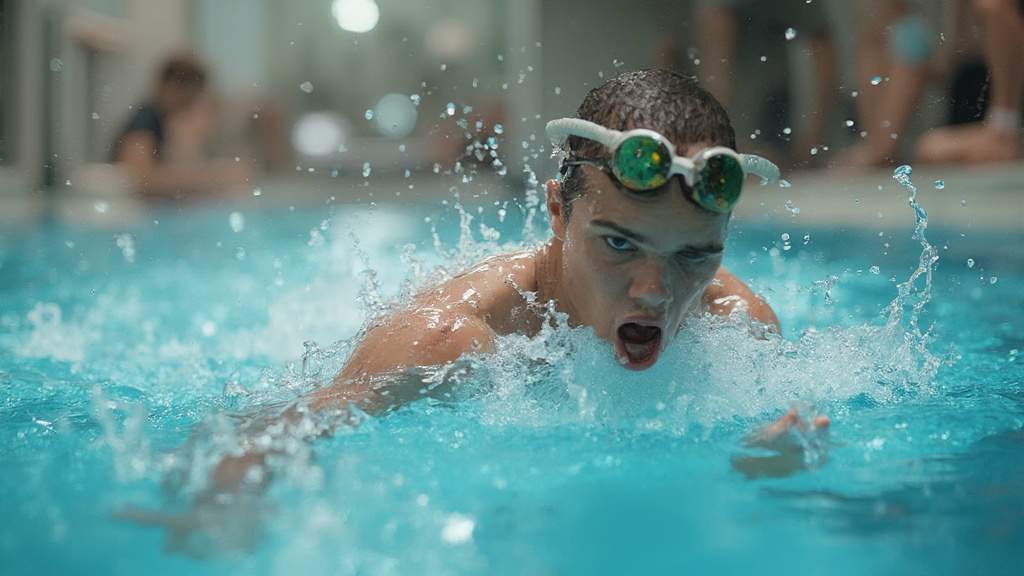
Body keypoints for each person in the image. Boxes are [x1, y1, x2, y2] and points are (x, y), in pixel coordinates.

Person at [124, 69, 830, 553]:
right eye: (619, 243)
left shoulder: (739, 319)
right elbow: (266, 441)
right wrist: (221, 515)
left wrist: (747, 470)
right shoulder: (445, 343)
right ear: (557, 212)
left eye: (694, 256)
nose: (656, 290)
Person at [111, 54, 252, 200]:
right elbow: (141, 179)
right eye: (185, 97)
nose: (188, 106)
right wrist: (210, 177)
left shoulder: (166, 121)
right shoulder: (144, 122)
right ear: (167, 88)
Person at [914, 0, 1024, 164]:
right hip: (980, 87)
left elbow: (993, 8)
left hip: (1004, 122)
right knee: (930, 148)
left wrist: (1005, 126)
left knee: (930, 148)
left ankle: (1005, 132)